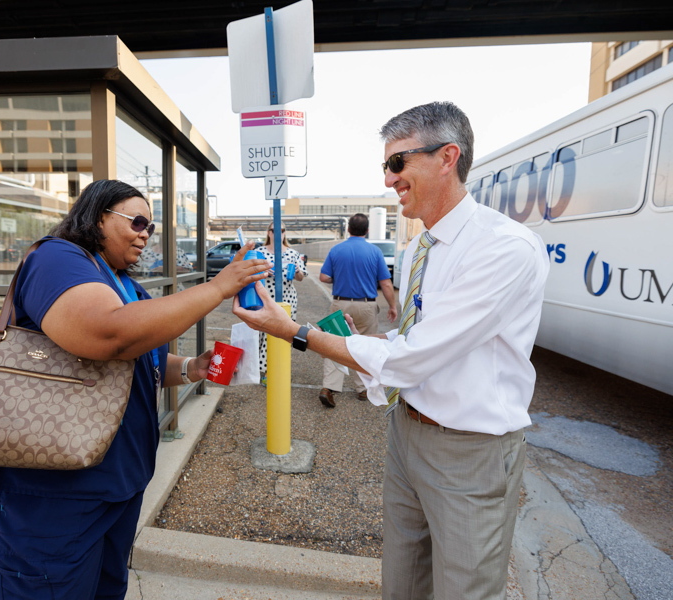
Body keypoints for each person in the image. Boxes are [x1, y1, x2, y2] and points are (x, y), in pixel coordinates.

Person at [234, 101, 550, 600]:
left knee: (463, 590)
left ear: (448, 157)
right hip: (408, 432)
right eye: (386, 166)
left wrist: (297, 331)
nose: (389, 179)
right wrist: (380, 341)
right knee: (401, 583)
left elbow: (412, 359)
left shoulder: (503, 248)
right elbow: (410, 340)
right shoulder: (417, 250)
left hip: (469, 450)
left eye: (398, 163)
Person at [0, 179, 269, 600]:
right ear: (97, 216)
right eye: (137, 221)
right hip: (44, 500)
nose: (145, 232)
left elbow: (141, 364)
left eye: (151, 226)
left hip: (112, 488)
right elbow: (107, 336)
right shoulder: (57, 257)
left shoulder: (120, 282)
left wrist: (194, 367)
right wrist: (217, 287)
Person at [318, 213, 397, 407]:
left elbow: (323, 277)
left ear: (348, 229)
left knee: (334, 342)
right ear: (367, 230)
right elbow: (386, 283)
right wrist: (393, 306)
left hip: (341, 303)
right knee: (365, 344)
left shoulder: (336, 250)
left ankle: (329, 387)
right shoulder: (375, 252)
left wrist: (338, 277)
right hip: (367, 305)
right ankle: (363, 389)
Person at [256, 221, 307, 386]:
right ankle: (264, 372)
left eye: (282, 230)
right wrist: (262, 272)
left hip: (288, 299)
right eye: (274, 230)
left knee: (286, 334)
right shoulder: (260, 252)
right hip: (266, 298)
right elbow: (250, 273)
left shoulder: (293, 253)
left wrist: (298, 271)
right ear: (268, 233)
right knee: (264, 335)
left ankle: (279, 369)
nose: (279, 233)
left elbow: (301, 277)